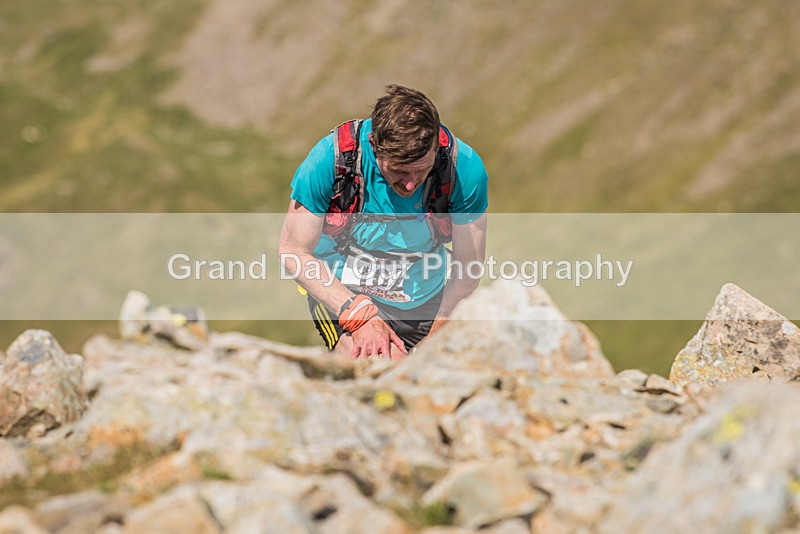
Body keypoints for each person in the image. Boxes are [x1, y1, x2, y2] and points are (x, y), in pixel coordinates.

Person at [279, 84, 488, 360]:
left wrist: (441, 331)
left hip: (426, 296)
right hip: (343, 290)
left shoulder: (464, 168)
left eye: (421, 170)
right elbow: (292, 251)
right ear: (374, 146)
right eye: (399, 171)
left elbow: (468, 265)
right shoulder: (330, 159)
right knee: (382, 368)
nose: (411, 183)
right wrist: (358, 315)